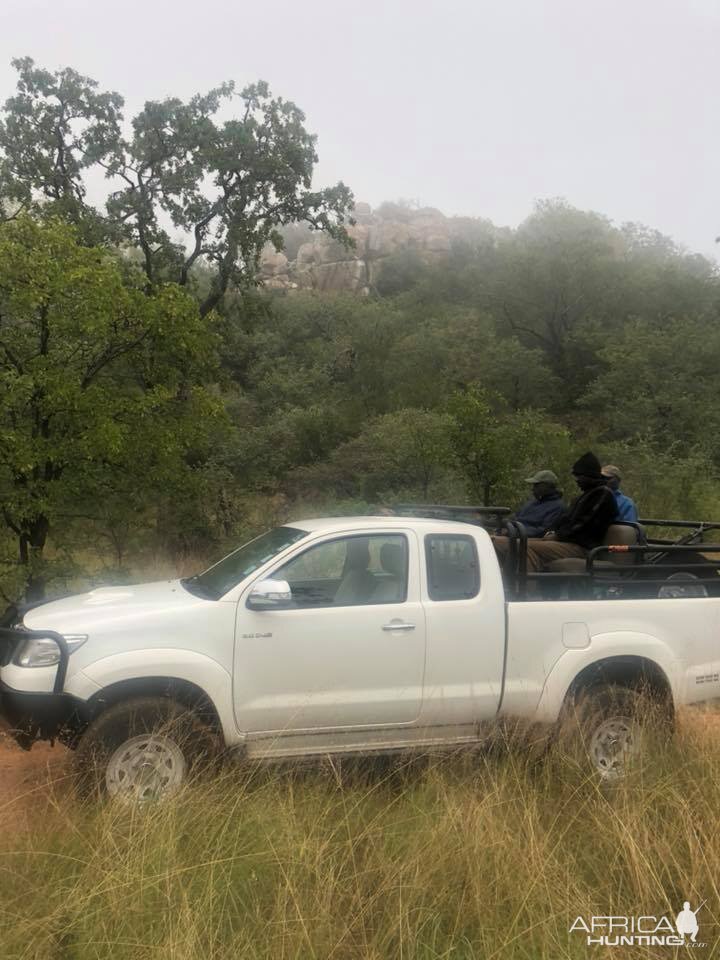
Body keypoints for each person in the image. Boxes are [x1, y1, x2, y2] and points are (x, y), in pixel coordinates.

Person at [493, 452, 618, 573]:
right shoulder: (583, 496)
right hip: (566, 542)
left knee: (522, 546)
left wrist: (558, 535)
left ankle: (527, 591)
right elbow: (564, 519)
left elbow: (583, 523)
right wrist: (552, 532)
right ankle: (503, 583)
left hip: (582, 547)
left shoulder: (602, 494)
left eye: (579, 476)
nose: (577, 480)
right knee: (498, 543)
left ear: (589, 476)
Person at [510, 469, 566, 538]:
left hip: (527, 540)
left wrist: (515, 531)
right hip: (514, 534)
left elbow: (544, 531)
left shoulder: (557, 507)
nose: (533, 488)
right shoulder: (531, 503)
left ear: (547, 486)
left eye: (536, 485)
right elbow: (515, 518)